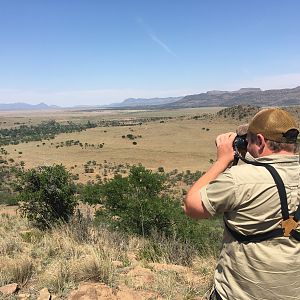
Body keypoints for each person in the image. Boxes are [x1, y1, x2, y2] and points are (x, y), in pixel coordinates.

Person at [184, 108, 300, 300]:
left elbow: (192, 207)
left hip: (241, 294)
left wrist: (223, 160)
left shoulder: (239, 180)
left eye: (250, 139)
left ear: (261, 141)